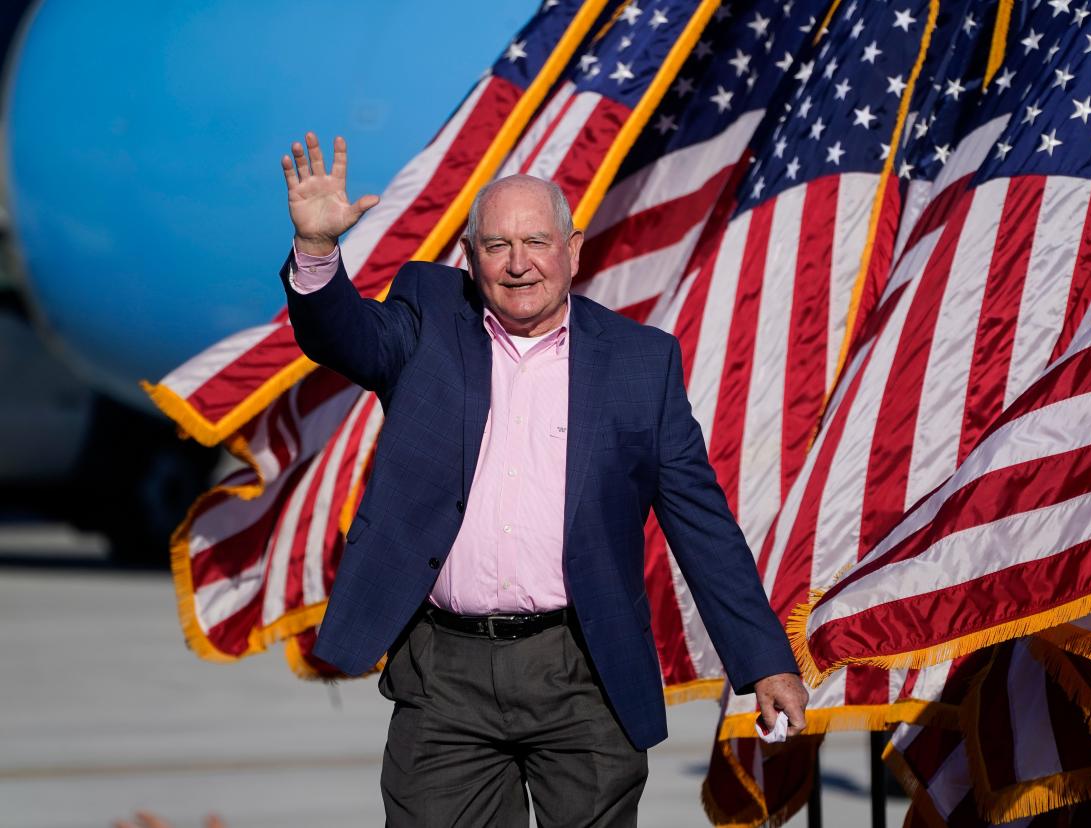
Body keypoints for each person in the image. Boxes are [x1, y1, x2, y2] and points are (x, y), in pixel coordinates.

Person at [280, 132, 808, 826]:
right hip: (446, 674)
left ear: (574, 249)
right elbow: (342, 334)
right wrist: (319, 250)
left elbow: (701, 523)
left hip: (583, 670)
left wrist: (765, 660)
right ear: (470, 258)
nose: (519, 264)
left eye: (537, 242)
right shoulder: (428, 322)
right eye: (497, 246)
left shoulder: (639, 364)